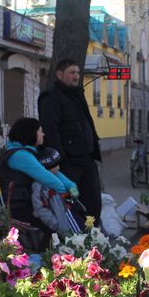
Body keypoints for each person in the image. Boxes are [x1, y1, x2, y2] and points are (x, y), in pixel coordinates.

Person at [38, 59, 102, 223]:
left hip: (86, 158)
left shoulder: (77, 93)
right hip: (69, 162)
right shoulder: (50, 97)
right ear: (59, 74)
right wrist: (58, 160)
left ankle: (94, 235)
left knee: (93, 201)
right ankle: (75, 239)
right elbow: (51, 132)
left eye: (78, 72)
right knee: (71, 204)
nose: (76, 76)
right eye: (72, 72)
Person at [0, 117, 78, 230]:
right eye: (40, 131)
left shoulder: (26, 152)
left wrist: (70, 185)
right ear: (30, 133)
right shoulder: (20, 155)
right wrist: (65, 194)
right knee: (52, 227)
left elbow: (52, 171)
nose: (43, 134)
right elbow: (45, 176)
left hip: (26, 203)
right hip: (16, 207)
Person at [32, 147, 81, 235]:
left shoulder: (56, 174)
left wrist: (73, 188)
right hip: (59, 227)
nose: (58, 168)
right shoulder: (39, 186)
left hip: (70, 218)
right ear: (48, 168)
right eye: (56, 165)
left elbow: (68, 183)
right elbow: (40, 209)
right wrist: (56, 225)